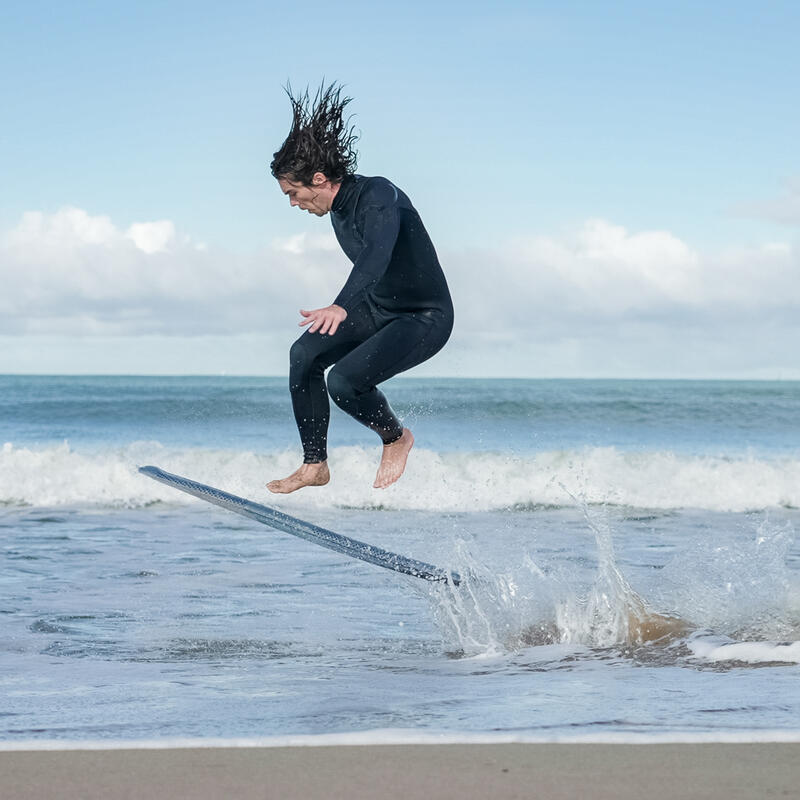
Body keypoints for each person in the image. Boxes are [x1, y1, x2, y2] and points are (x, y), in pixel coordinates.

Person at [267, 84, 453, 494]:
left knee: (345, 382)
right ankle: (314, 465)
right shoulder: (336, 209)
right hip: (377, 307)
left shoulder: (378, 195)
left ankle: (396, 438)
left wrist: (339, 306)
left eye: (294, 193)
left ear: (318, 179)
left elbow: (377, 254)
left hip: (423, 316)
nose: (294, 203)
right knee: (304, 354)